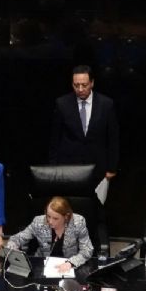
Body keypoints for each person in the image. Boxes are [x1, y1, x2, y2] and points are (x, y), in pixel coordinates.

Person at [48, 64, 120, 205]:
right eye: (76, 85)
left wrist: (112, 168)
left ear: (92, 83)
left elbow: (113, 138)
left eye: (84, 85)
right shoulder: (62, 103)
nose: (80, 89)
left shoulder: (106, 104)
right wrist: (53, 168)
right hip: (69, 168)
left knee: (96, 207)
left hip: (97, 166)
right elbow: (54, 139)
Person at [6, 196, 94, 273]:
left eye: (55, 218)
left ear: (66, 217)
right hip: (42, 265)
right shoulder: (39, 222)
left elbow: (87, 250)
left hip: (68, 266)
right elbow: (17, 238)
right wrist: (12, 246)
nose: (50, 221)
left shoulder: (78, 222)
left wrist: (71, 263)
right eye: (48, 216)